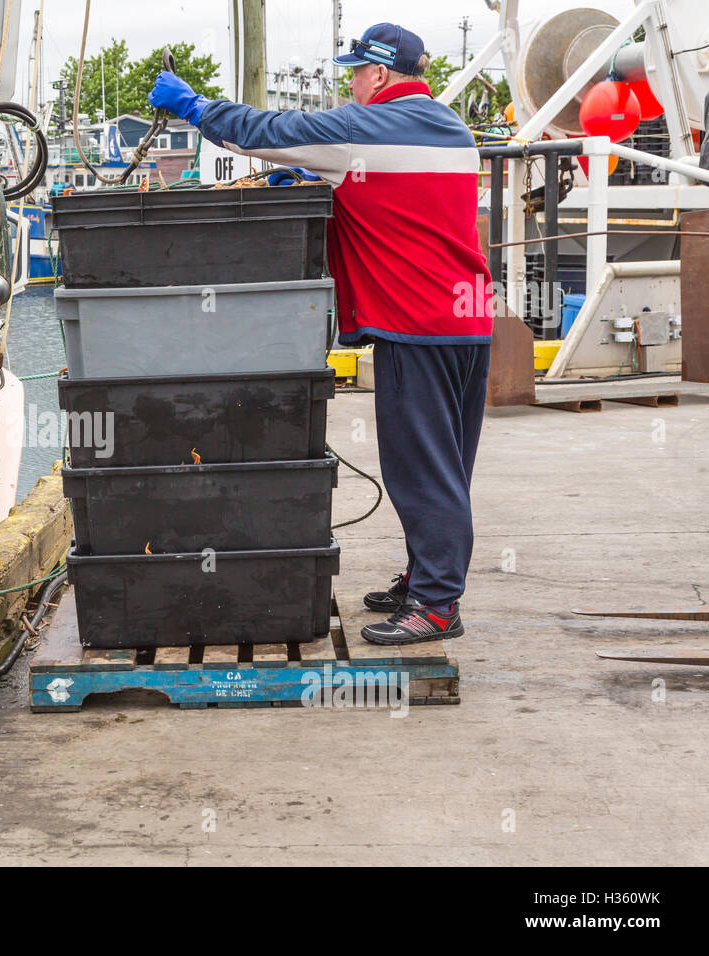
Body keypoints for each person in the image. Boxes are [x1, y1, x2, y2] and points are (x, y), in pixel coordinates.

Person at [149, 22, 492, 645]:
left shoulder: (364, 128)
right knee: (448, 467)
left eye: (356, 72)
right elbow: (400, 204)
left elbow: (267, 133)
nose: (351, 84)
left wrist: (195, 106)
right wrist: (331, 191)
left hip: (414, 328)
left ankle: (439, 605)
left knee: (420, 469)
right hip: (467, 322)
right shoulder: (453, 130)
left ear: (380, 75)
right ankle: (426, 578)